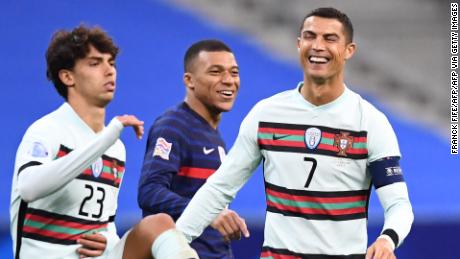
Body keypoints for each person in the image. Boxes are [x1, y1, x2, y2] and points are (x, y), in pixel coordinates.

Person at [176, 7, 414, 259]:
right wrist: (175, 241)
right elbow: (219, 188)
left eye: (330, 38)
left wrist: (388, 239)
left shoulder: (370, 122)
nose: (318, 46)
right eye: (310, 36)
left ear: (349, 51)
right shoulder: (266, 114)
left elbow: (399, 205)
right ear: (299, 44)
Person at [9, 25, 198, 259]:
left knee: (158, 225)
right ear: (67, 76)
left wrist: (108, 242)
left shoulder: (116, 148)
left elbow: (105, 223)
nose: (109, 71)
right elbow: (28, 188)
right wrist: (106, 137)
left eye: (111, 63)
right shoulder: (46, 131)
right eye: (95, 63)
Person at [137, 39, 248, 259]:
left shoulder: (213, 136)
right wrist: (207, 213)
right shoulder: (173, 126)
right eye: (215, 72)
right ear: (190, 81)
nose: (228, 80)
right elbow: (149, 191)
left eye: (234, 73)